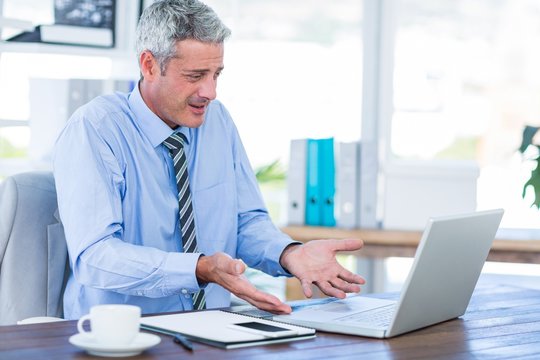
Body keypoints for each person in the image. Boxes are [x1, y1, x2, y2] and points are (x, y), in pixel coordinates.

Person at [53, 0, 366, 320]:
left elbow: (246, 222)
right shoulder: (95, 129)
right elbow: (96, 256)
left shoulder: (217, 121)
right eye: (195, 75)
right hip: (119, 334)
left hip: (211, 328)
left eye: (216, 74)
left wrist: (289, 253)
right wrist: (198, 269)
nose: (211, 91)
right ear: (149, 65)